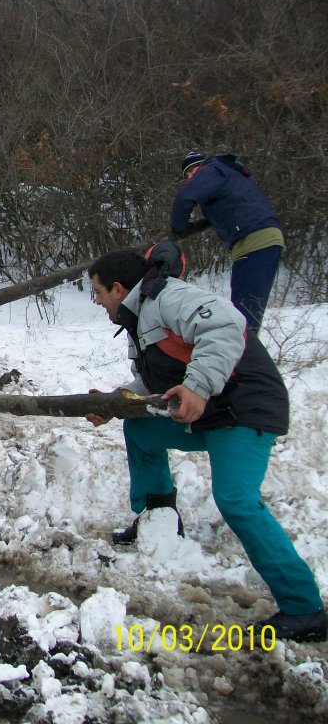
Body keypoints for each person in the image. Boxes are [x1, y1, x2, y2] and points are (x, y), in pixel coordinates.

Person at [86, 244, 325, 642]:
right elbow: (151, 382)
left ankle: (305, 609)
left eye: (97, 291)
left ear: (118, 288)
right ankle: (159, 520)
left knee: (236, 500)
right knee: (141, 430)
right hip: (208, 412)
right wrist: (114, 403)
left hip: (244, 408)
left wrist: (197, 386)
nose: (96, 301)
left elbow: (227, 326)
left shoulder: (167, 298)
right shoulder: (139, 319)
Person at [172, 151, 284, 332]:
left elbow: (185, 196)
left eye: (192, 170)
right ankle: (245, 347)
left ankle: (243, 349)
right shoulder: (227, 175)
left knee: (243, 317)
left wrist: (179, 228)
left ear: (202, 165)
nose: (191, 177)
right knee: (247, 313)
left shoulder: (212, 170)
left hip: (254, 241)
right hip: (262, 239)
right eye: (187, 175)